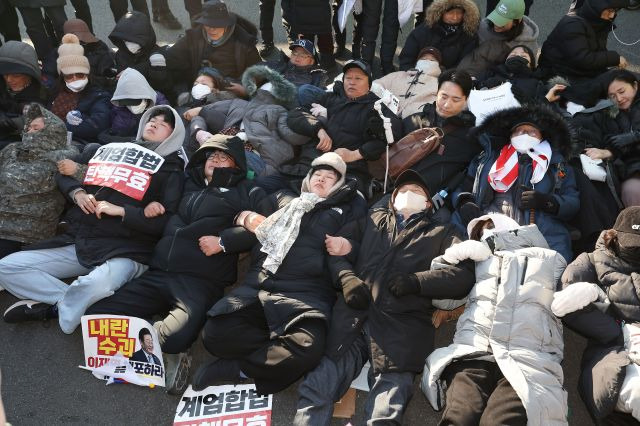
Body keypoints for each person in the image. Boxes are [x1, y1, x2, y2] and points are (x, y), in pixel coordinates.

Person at [87, 134, 268, 394]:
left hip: (200, 281)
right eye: (211, 155)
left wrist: (224, 241)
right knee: (96, 317)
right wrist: (136, 210)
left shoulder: (250, 191)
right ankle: (151, 337)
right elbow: (162, 215)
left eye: (223, 157)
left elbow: (269, 228)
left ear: (237, 165)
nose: (215, 160)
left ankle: (162, 343)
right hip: (158, 273)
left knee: (175, 339)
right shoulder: (187, 184)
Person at [293, 169, 475, 425]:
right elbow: (336, 249)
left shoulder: (444, 231)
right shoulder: (370, 220)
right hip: (352, 319)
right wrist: (347, 279)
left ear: (428, 202)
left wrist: (416, 282)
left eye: (417, 192)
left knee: (385, 412)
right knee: (316, 389)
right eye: (402, 191)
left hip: (402, 328)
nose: (408, 195)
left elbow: (463, 275)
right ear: (392, 198)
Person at [0, 106, 185, 337]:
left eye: (163, 124)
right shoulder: (113, 149)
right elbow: (63, 173)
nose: (154, 123)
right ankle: (74, 303)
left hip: (127, 250)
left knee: (94, 285)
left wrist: (124, 211)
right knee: (6, 267)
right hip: (84, 240)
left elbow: (165, 224)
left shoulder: (171, 170)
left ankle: (53, 310)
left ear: (174, 134)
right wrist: (77, 192)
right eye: (152, 119)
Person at [191, 153, 366, 395]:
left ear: (338, 185)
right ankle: (273, 354)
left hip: (307, 293)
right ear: (308, 178)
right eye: (318, 174)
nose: (322, 180)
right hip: (259, 284)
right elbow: (252, 222)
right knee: (215, 333)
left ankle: (239, 369)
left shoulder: (346, 211)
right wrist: (241, 220)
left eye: (329, 178)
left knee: (309, 348)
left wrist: (348, 247)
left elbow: (364, 246)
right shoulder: (283, 198)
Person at [422, 214, 569, 425]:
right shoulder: (477, 259)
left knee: (500, 421)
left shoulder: (550, 259)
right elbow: (443, 299)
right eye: (480, 234)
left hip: (527, 359)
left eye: (489, 227)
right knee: (459, 416)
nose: (486, 234)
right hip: (474, 351)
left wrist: (583, 293)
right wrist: (450, 259)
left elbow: (572, 291)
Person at [454, 104, 580, 262]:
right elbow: (463, 187)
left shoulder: (556, 165)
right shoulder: (487, 159)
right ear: (510, 136)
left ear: (542, 137)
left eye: (531, 131)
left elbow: (573, 203)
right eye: (518, 131)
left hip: (541, 237)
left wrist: (548, 202)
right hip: (489, 229)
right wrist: (464, 201)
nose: (524, 134)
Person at [552, 207, 640, 424]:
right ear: (615, 236)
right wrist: (615, 328)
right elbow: (564, 302)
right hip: (618, 353)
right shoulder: (591, 261)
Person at [285, 60, 401, 197]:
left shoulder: (376, 107)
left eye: (358, 78)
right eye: (348, 78)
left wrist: (354, 154)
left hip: (346, 172)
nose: (352, 82)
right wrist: (319, 129)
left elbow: (392, 134)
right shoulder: (331, 97)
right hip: (309, 165)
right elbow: (296, 114)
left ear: (369, 84)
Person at [188, 64, 307, 174]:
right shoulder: (240, 104)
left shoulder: (277, 111)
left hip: (254, 157)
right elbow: (200, 113)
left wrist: (304, 121)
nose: (263, 96)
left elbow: (295, 137)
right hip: (231, 149)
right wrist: (199, 132)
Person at [0, 104, 77, 259]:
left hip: (26, 231)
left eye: (36, 128)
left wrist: (77, 170)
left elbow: (85, 180)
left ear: (52, 131)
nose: (29, 132)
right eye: (28, 128)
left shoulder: (65, 158)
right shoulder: (12, 150)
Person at [402, 69, 480, 211]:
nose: (447, 104)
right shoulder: (415, 120)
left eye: (456, 99)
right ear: (436, 93)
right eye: (443, 96)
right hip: (395, 191)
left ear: (466, 99)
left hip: (431, 205)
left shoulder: (472, 137)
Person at [165, 0, 260, 96]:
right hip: (198, 88)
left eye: (216, 25)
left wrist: (245, 89)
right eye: (208, 24)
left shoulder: (243, 42)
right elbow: (171, 56)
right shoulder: (194, 36)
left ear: (226, 24)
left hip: (230, 94)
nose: (211, 29)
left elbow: (258, 70)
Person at [575, 70, 639, 208]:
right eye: (613, 96)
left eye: (622, 91)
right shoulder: (611, 116)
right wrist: (609, 152)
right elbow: (612, 142)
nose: (619, 98)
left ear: (635, 85)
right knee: (632, 191)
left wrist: (634, 137)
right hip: (633, 171)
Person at [538, 0, 629, 82]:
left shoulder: (598, 22)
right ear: (597, 7)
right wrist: (614, 58)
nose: (612, 15)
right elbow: (583, 59)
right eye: (609, 10)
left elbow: (596, 50)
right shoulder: (572, 25)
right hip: (557, 75)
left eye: (615, 11)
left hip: (575, 71)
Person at [48, 34, 111, 150]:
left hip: (77, 143)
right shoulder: (54, 91)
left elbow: (98, 124)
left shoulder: (98, 95)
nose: (75, 79)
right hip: (49, 138)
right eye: (69, 76)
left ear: (87, 74)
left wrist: (67, 126)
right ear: (63, 78)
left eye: (80, 74)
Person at [456, 0, 539, 78]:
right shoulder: (483, 27)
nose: (496, 24)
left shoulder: (528, 43)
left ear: (515, 22)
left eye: (502, 22)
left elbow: (528, 71)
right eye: (496, 17)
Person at [399, 0, 480, 71]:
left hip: (448, 81)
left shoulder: (469, 35)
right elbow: (407, 59)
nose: (455, 17)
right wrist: (412, 74)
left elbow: (464, 65)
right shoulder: (423, 30)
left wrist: (443, 77)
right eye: (450, 13)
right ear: (440, 12)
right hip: (417, 76)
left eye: (459, 13)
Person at [42, 19, 116, 91]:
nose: (82, 43)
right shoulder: (58, 52)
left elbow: (108, 75)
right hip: (67, 90)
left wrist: (88, 79)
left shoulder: (100, 48)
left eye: (84, 41)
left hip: (95, 90)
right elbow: (48, 75)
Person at [108, 11, 170, 97]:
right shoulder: (121, 54)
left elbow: (162, 84)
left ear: (145, 39)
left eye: (133, 41)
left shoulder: (159, 54)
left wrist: (133, 72)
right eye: (125, 41)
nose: (128, 45)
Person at [0, 41, 49, 149]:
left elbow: (34, 119)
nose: (9, 80)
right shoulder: (2, 86)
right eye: (5, 74)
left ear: (29, 75)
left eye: (16, 75)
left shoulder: (39, 95)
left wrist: (8, 123)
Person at [100, 67, 169, 143]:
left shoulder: (161, 106)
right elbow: (117, 132)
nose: (131, 106)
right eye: (127, 102)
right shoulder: (120, 108)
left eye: (135, 101)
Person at [375, 46, 442, 119]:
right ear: (417, 62)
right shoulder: (400, 75)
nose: (427, 61)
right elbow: (375, 85)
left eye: (432, 60)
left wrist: (416, 110)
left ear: (438, 65)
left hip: (416, 122)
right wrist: (386, 98)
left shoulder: (440, 83)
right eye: (423, 59)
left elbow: (441, 104)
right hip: (384, 114)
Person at [281, 0, 337, 73]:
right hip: (322, 13)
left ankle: (307, 66)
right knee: (325, 42)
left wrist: (287, 22)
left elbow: (285, 5)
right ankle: (328, 63)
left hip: (300, 16)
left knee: (305, 46)